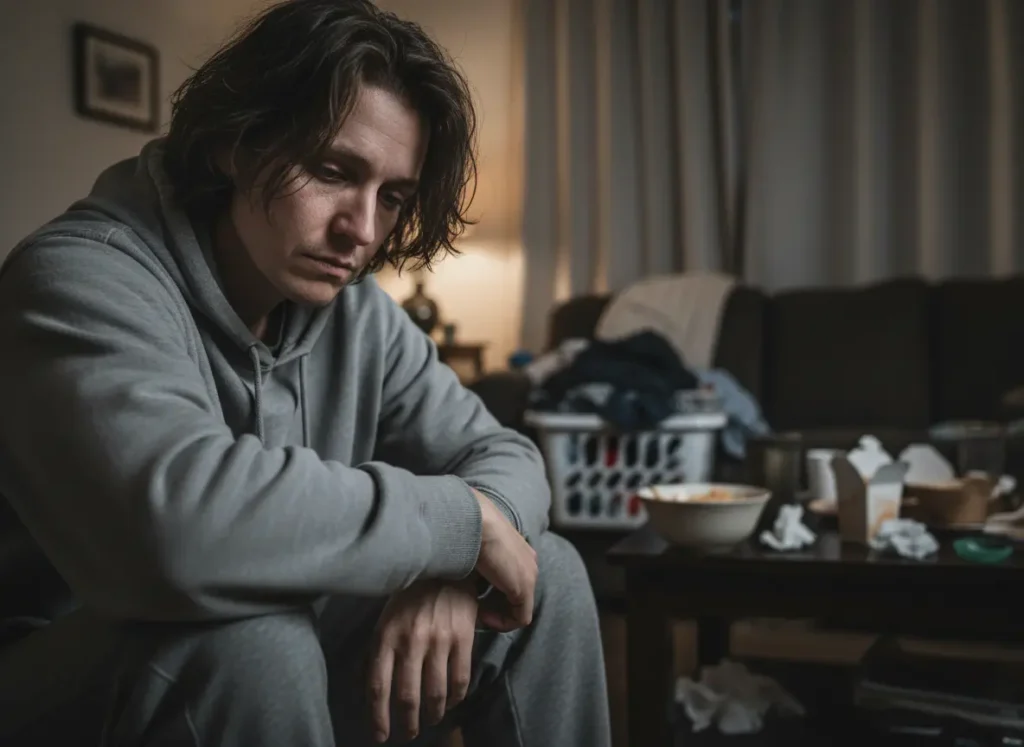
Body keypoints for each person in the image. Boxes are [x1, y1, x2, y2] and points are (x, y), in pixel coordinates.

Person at [0, 1, 611, 745]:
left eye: (392, 196)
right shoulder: (77, 278)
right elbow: (181, 534)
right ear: (237, 141)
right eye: (332, 171)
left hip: (273, 656)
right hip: (65, 680)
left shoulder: (357, 313)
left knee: (546, 573)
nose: (361, 229)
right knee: (251, 638)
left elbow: (507, 454)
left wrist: (462, 569)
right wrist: (462, 523)